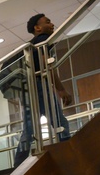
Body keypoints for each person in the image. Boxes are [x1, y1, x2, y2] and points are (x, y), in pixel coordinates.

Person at [15, 14, 73, 164]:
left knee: (29, 127)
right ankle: (69, 152)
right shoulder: (41, 40)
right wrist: (60, 89)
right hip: (39, 84)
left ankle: (18, 163)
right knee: (59, 121)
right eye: (48, 22)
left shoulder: (32, 44)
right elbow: (46, 65)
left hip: (28, 87)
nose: (52, 24)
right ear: (37, 28)